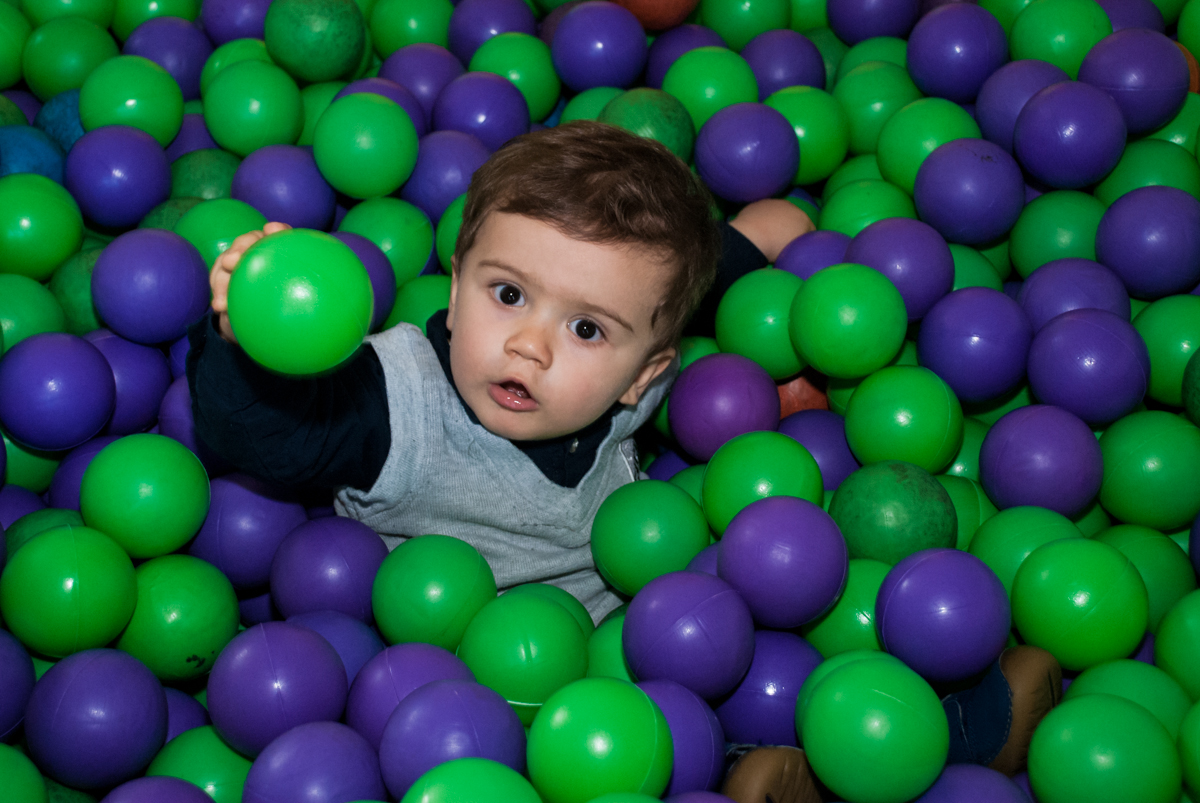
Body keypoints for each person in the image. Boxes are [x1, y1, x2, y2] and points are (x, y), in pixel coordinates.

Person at [188, 120, 1060, 803]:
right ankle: (743, 769)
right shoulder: (388, 402)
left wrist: (761, 234)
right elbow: (252, 436)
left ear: (648, 371)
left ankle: (958, 719)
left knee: (772, 617)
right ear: (454, 282)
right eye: (506, 293)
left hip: (636, 621)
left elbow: (688, 277)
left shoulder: (634, 370)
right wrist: (245, 337)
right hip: (471, 675)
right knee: (619, 741)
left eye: (585, 329)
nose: (528, 345)